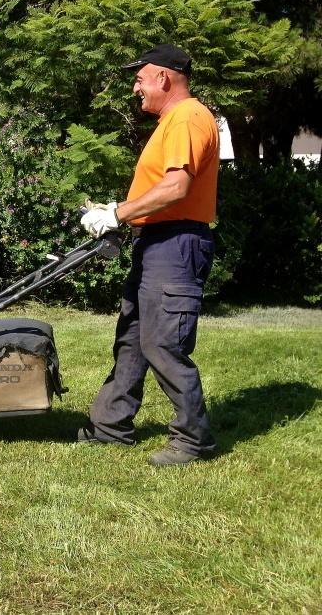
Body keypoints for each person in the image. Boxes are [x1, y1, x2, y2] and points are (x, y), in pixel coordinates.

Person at [77, 44, 220, 467]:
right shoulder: (171, 122)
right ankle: (110, 426)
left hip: (176, 244)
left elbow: (176, 187)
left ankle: (193, 440)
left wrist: (117, 215)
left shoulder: (188, 117)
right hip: (156, 241)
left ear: (163, 77)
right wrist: (120, 211)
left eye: (139, 79)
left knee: (163, 343)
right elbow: (161, 189)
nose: (135, 89)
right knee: (132, 337)